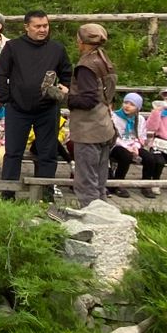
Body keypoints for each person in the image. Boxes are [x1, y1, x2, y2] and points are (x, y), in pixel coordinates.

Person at [0, 11, 71, 195]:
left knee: (48, 154)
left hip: (47, 109)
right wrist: (6, 99)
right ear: (27, 27)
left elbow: (67, 73)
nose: (42, 29)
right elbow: (0, 74)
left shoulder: (57, 49)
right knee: (13, 153)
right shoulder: (13, 47)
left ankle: (45, 195)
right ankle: (8, 195)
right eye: (37, 26)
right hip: (17, 109)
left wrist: (64, 88)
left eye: (45, 25)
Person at [65, 23, 118, 209]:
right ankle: (104, 218)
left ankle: (91, 219)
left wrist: (65, 97)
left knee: (87, 183)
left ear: (81, 41)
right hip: (104, 126)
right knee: (100, 182)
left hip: (89, 130)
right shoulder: (103, 59)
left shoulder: (86, 66)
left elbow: (88, 100)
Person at [110, 92, 145, 181]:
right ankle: (118, 182)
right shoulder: (114, 116)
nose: (127, 106)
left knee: (150, 158)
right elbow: (112, 136)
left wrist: (135, 146)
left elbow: (141, 136)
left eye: (132, 104)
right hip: (116, 145)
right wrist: (126, 147)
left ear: (138, 108)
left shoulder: (140, 119)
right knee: (126, 156)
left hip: (133, 145)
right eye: (126, 103)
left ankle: (146, 184)